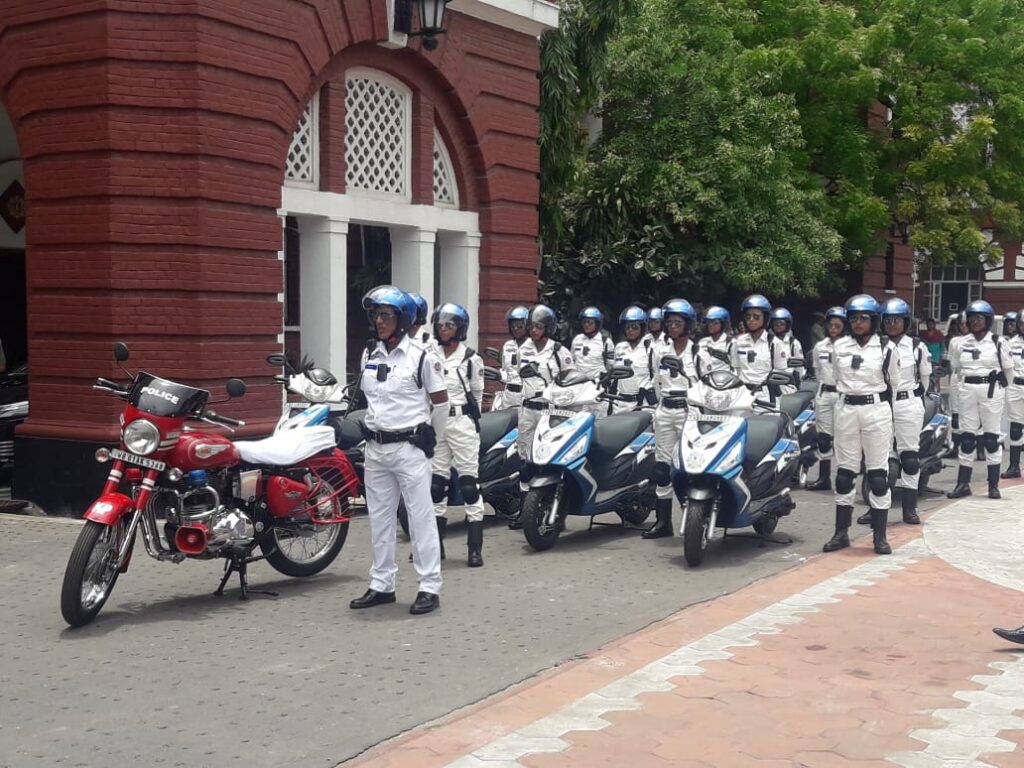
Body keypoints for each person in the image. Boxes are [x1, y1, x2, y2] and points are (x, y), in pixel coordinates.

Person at [350, 285, 449, 615]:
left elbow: (441, 403)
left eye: (386, 315)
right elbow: (369, 399)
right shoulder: (370, 354)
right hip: (376, 449)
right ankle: (382, 584)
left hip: (409, 448)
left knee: (420, 519)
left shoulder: (423, 358)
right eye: (376, 315)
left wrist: (429, 435)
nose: (379, 321)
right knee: (379, 520)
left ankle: (429, 586)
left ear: (403, 319)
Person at [822, 294, 899, 556]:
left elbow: (894, 383)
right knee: (845, 474)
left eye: (863, 318)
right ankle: (841, 533)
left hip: (875, 409)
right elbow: (835, 375)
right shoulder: (839, 347)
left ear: (874, 320)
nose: (857, 322)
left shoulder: (887, 348)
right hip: (845, 409)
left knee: (877, 476)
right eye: (853, 318)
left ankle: (879, 537)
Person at [429, 303, 486, 567]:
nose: (443, 330)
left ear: (460, 329)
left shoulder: (471, 359)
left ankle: (474, 549)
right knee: (436, 487)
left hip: (462, 422)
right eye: (440, 325)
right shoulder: (430, 355)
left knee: (468, 486)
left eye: (449, 325)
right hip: (438, 422)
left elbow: (477, 394)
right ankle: (436, 546)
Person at [512, 304, 574, 529]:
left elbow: (569, 382)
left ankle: (558, 513)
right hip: (528, 409)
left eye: (538, 326)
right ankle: (524, 511)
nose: (534, 330)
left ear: (548, 327)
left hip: (550, 411)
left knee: (551, 460)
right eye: (531, 326)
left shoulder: (559, 351)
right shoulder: (523, 349)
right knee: (525, 460)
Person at [871, 297, 930, 526]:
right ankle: (877, 506)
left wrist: (916, 402)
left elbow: (924, 380)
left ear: (906, 323)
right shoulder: (875, 346)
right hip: (883, 404)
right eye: (888, 320)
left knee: (909, 458)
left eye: (897, 320)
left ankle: (909, 508)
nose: (892, 325)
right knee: (879, 457)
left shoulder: (917, 347)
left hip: (908, 404)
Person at [643, 298, 698, 540]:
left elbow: (704, 384)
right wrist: (658, 406)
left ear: (688, 324)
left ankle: (694, 518)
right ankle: (663, 521)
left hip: (689, 410)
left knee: (689, 467)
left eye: (678, 322)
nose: (672, 326)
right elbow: (656, 380)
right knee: (662, 468)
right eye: (669, 322)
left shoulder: (698, 351)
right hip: (665, 410)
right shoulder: (659, 350)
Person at [947, 300, 1014, 499]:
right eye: (972, 319)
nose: (975, 322)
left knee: (991, 439)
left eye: (979, 318)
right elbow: (956, 370)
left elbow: (1008, 372)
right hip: (967, 389)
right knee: (967, 439)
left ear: (987, 320)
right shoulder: (961, 343)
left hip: (991, 390)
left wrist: (1000, 390)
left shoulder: (998, 342)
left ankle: (993, 485)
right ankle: (963, 484)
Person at [805, 306, 845, 491]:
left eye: (838, 325)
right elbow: (818, 371)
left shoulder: (849, 346)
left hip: (843, 394)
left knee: (844, 437)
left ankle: (845, 477)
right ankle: (824, 477)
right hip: (824, 393)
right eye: (831, 325)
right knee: (823, 438)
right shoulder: (820, 346)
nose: (834, 328)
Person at [731, 295, 786, 402]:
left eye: (756, 317)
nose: (751, 320)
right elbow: (735, 369)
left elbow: (781, 373)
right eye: (748, 316)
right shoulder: (738, 342)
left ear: (765, 318)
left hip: (766, 396)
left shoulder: (775, 344)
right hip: (742, 395)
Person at [571, 307, 614, 415]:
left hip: (597, 388)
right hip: (579, 388)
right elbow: (572, 362)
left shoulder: (605, 342)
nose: (586, 325)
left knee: (599, 422)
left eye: (590, 322)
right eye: (584, 322)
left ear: (597, 324)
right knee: (578, 421)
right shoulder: (577, 340)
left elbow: (611, 367)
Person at [611, 306, 654, 413]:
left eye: (634, 327)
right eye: (627, 327)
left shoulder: (650, 348)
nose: (630, 330)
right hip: (620, 402)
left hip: (643, 404)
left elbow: (656, 376)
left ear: (642, 328)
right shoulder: (620, 347)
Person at [494, 306, 529, 412]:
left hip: (526, 394)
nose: (516, 329)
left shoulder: (534, 346)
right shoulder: (508, 346)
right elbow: (505, 371)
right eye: (513, 326)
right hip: (508, 395)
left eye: (519, 325)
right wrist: (499, 376)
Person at [1003, 310, 1024, 479]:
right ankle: (1014, 466)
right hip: (1016, 387)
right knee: (1016, 428)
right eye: (1022, 324)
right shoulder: (1010, 343)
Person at [769, 307, 804, 394]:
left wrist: (798, 381)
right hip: (770, 382)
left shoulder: (793, 343)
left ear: (787, 325)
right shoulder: (767, 342)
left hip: (788, 384)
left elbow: (800, 366)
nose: (778, 326)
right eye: (775, 323)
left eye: (781, 324)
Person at [695, 306, 734, 378]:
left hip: (723, 384)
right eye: (709, 322)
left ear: (723, 324)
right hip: (705, 383)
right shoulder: (702, 342)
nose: (711, 325)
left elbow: (736, 368)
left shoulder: (730, 343)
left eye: (715, 323)